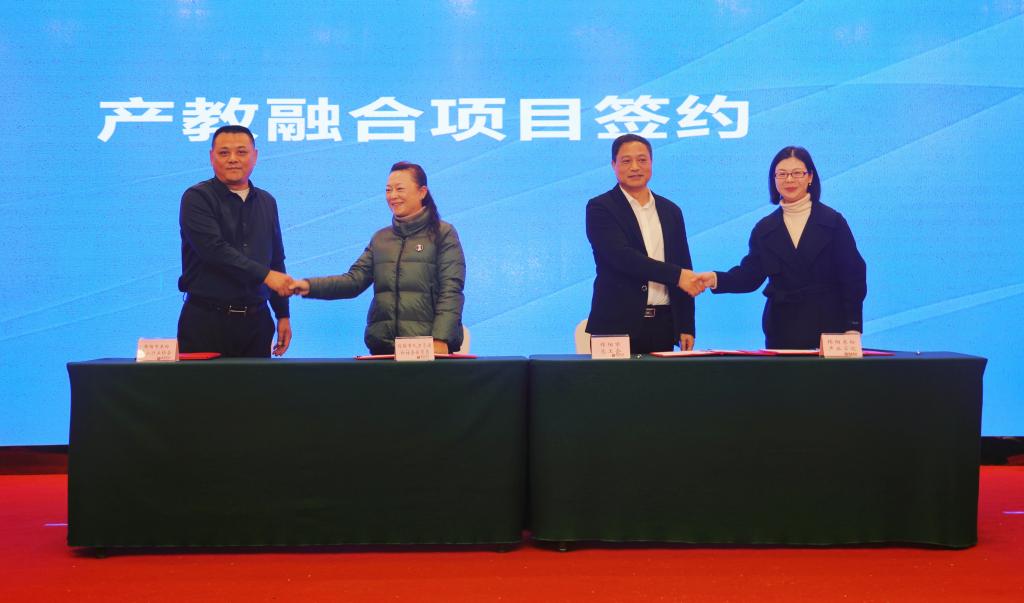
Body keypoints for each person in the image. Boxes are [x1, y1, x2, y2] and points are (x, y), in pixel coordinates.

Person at [695, 146, 866, 349]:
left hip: (828, 327)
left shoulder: (833, 221)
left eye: (797, 173)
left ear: (810, 177)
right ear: (774, 180)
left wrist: (853, 326)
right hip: (782, 327)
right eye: (782, 174)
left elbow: (853, 276)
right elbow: (750, 276)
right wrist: (715, 279)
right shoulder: (764, 228)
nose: (789, 180)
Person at [290, 162, 465, 355]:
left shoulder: (443, 233)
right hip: (384, 349)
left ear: (422, 192)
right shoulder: (381, 239)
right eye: (388, 190)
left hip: (427, 350)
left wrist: (440, 338)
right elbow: (353, 281)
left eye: (400, 189)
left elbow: (451, 290)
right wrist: (307, 286)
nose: (393, 196)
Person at [177, 124, 294, 357]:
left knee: (258, 383)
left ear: (255, 156)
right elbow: (214, 251)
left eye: (241, 152)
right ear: (212, 157)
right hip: (206, 321)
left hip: (257, 322)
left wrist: (282, 314)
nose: (233, 159)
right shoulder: (197, 198)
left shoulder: (267, 201)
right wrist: (266, 275)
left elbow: (276, 260)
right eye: (224, 153)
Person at [585, 134, 702, 354]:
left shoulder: (671, 211)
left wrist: (686, 325)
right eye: (626, 161)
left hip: (662, 324)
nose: (635, 167)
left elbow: (683, 263)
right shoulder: (600, 207)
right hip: (615, 324)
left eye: (642, 160)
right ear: (613, 165)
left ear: (651, 162)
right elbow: (622, 257)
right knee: (610, 379)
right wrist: (677, 275)